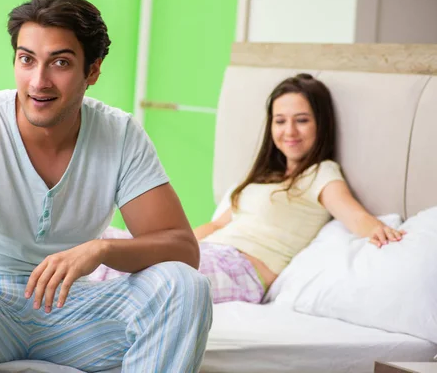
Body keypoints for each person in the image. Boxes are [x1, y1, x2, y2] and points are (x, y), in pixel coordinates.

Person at [0, 0, 212, 373]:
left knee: (185, 285)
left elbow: (183, 249)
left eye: (60, 62)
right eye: (27, 60)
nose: (38, 81)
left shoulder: (120, 133)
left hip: (75, 313)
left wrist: (100, 250)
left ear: (92, 71)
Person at [91, 74, 406, 305]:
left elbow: (355, 215)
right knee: (98, 239)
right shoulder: (261, 178)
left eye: (302, 120)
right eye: (280, 121)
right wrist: (168, 244)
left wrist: (380, 231)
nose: (289, 131)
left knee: (124, 271)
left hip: (243, 271)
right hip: (210, 253)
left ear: (320, 125)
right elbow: (216, 225)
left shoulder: (321, 173)